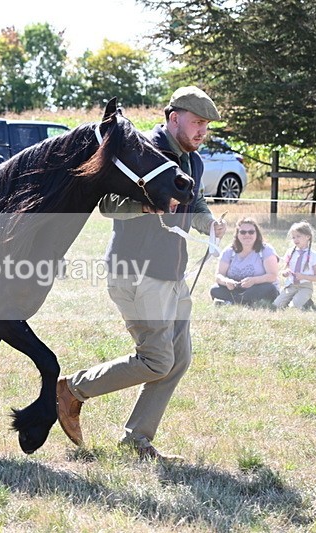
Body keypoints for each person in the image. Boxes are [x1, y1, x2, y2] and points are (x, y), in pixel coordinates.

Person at [56, 86, 227, 461]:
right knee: (156, 360)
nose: (202, 131)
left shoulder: (191, 158)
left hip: (172, 274)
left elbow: (193, 199)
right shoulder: (141, 150)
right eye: (197, 122)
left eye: (206, 126)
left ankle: (137, 441)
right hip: (136, 272)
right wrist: (145, 207)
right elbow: (108, 204)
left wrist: (208, 222)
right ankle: (73, 389)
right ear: (173, 118)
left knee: (178, 359)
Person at [210, 217, 279, 306]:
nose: (247, 235)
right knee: (215, 289)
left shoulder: (266, 250)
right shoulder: (229, 251)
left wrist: (254, 281)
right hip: (235, 288)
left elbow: (272, 276)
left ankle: (232, 302)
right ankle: (244, 302)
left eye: (251, 232)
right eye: (243, 232)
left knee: (269, 288)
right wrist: (226, 281)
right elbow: (219, 275)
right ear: (237, 234)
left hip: (258, 287)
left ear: (257, 234)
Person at [272, 221, 316, 310]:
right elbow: (285, 269)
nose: (295, 239)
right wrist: (285, 273)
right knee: (276, 305)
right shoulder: (290, 252)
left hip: (305, 286)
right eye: (293, 237)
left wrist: (304, 276)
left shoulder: (314, 255)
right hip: (291, 285)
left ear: (308, 237)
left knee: (293, 308)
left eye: (298, 236)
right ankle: (297, 298)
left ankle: (304, 301)